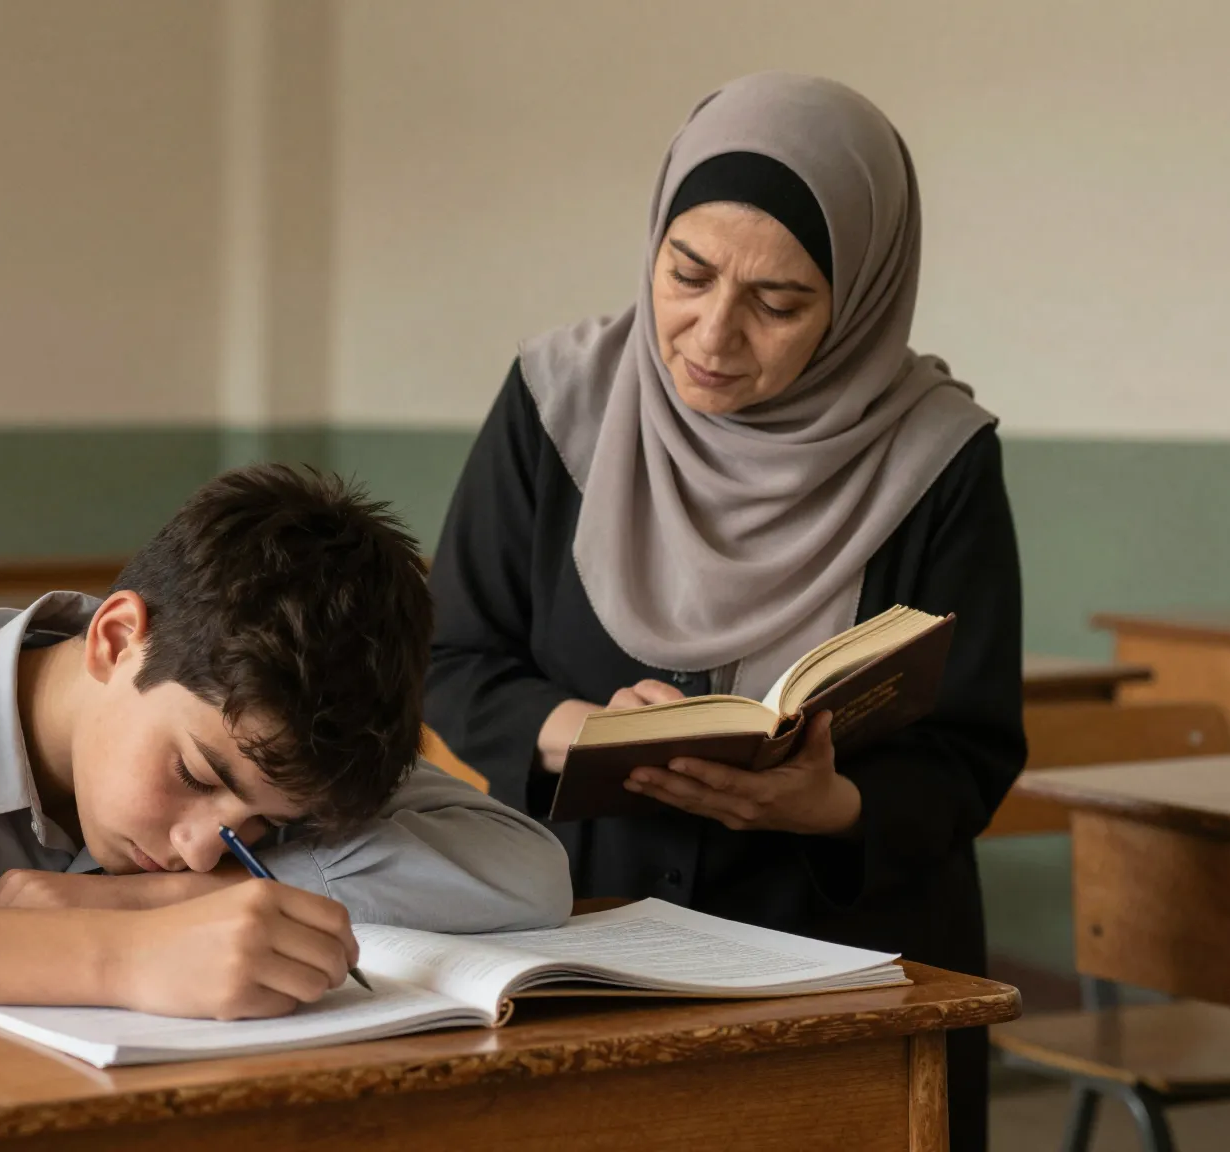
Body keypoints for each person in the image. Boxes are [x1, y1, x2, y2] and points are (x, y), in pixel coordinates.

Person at [424, 73, 1025, 1150]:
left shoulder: (936, 456)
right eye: (685, 273)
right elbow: (448, 654)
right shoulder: (556, 403)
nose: (711, 332)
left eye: (780, 303)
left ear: (861, 297)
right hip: (586, 940)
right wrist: (573, 733)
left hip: (848, 963)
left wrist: (830, 807)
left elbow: (971, 748)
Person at [0, 464, 573, 1144]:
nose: (209, 853)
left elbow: (528, 866)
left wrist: (138, 901)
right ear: (117, 641)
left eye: (267, 829)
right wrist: (107, 952)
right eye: (200, 778)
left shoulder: (283, 741)